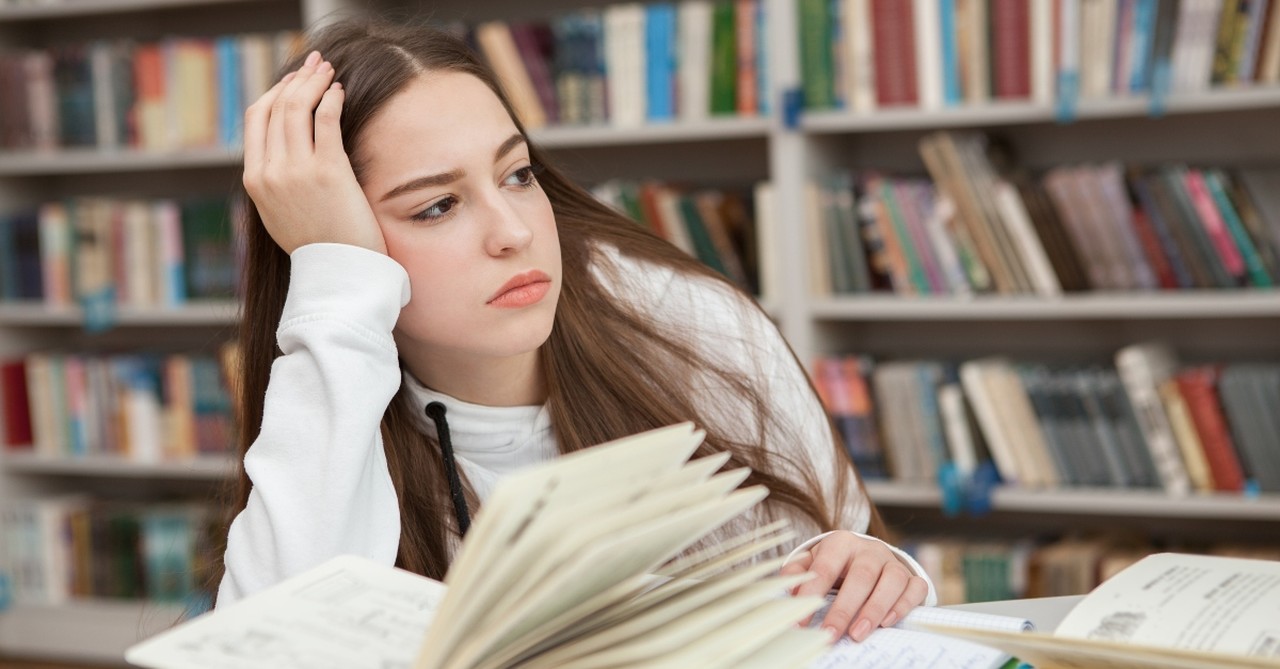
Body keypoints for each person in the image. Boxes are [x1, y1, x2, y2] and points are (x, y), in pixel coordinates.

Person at [217, 18, 935, 644]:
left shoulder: (691, 323)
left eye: (518, 174)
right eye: (437, 206)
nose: (512, 231)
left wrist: (881, 572)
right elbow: (277, 640)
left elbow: (848, 560)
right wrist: (338, 290)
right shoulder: (326, 401)